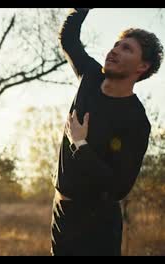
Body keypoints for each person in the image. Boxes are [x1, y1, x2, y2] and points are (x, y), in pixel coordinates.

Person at [51, 8, 163, 256]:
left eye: (127, 49)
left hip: (97, 226)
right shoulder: (90, 76)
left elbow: (119, 186)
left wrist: (80, 146)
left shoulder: (136, 121)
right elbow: (69, 39)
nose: (114, 50)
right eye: (116, 44)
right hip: (62, 214)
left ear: (142, 66)